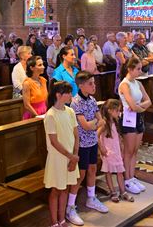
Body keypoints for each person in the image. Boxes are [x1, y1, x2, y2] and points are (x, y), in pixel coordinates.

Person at [65, 71, 108, 225]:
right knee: (80, 175)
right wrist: (94, 124)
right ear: (81, 85)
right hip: (81, 143)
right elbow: (85, 125)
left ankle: (91, 198)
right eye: (90, 83)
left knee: (92, 169)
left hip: (92, 141)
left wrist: (94, 124)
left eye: (94, 83)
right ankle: (70, 207)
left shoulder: (92, 100)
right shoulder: (76, 103)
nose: (94, 86)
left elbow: (101, 120)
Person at [43, 81, 80, 227]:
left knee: (65, 188)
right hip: (58, 158)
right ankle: (54, 222)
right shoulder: (50, 115)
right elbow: (54, 142)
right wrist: (71, 157)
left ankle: (62, 218)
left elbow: (76, 135)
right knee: (56, 190)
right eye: (68, 93)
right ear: (58, 95)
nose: (71, 95)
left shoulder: (70, 111)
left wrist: (75, 156)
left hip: (71, 157)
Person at [119, 57, 152, 195]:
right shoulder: (124, 84)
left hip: (138, 117)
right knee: (128, 151)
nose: (140, 71)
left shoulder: (138, 83)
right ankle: (126, 180)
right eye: (138, 69)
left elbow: (149, 100)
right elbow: (131, 106)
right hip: (128, 119)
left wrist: (139, 107)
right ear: (130, 69)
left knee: (135, 151)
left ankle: (132, 177)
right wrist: (138, 107)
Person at [98, 99, 134, 203]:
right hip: (108, 151)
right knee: (108, 171)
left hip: (116, 150)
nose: (119, 113)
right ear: (110, 110)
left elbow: (117, 136)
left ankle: (123, 192)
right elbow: (97, 136)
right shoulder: (104, 123)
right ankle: (113, 191)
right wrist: (102, 148)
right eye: (117, 111)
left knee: (120, 171)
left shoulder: (115, 121)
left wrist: (121, 147)